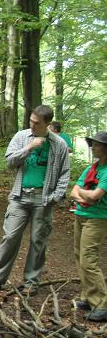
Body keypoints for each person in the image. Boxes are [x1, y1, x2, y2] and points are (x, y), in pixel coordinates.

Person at [0, 105, 70, 294]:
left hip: (43, 198)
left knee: (38, 240)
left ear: (47, 124)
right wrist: (29, 147)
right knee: (10, 237)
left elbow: (64, 174)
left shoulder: (59, 144)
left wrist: (54, 197)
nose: (32, 125)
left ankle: (31, 283)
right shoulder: (21, 137)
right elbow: (10, 162)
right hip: (19, 196)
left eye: (36, 123)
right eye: (31, 121)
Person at [70, 132, 107, 322]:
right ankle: (87, 296)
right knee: (79, 256)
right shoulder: (91, 168)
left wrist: (85, 196)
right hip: (81, 215)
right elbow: (73, 192)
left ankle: (101, 304)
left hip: (98, 218)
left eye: (97, 145)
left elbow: (95, 197)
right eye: (92, 144)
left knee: (89, 258)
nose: (93, 147)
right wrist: (85, 196)